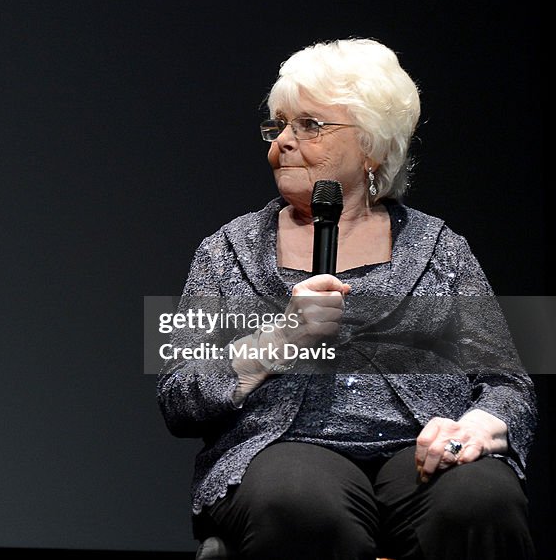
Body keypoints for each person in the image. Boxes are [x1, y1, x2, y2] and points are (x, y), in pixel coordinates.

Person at [157, 39, 536, 559]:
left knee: (482, 497)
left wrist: (477, 427)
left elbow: (507, 383)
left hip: (421, 450)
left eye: (310, 125)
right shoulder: (228, 251)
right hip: (284, 449)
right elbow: (178, 397)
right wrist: (279, 339)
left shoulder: (440, 248)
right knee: (299, 504)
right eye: (277, 126)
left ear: (373, 147)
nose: (283, 142)